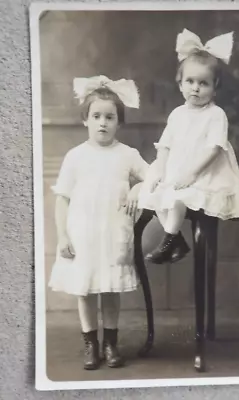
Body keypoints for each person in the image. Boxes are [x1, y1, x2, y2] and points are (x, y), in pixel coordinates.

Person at [48, 75, 148, 370]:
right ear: (86, 120)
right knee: (85, 289)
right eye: (96, 116)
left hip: (113, 233)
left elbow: (155, 176)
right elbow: (62, 199)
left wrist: (138, 187)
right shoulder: (76, 156)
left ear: (119, 122)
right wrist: (63, 236)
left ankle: (111, 343)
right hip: (83, 235)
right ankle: (90, 343)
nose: (103, 122)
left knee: (110, 290)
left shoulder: (127, 154)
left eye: (110, 117)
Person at [138, 28, 239, 264]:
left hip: (205, 171)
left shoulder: (216, 115)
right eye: (190, 81)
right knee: (152, 193)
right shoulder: (177, 114)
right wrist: (160, 169)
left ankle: (168, 241)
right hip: (175, 167)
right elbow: (165, 144)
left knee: (178, 198)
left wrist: (192, 173)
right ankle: (176, 241)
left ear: (215, 87)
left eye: (203, 83)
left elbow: (214, 149)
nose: (195, 88)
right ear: (180, 84)